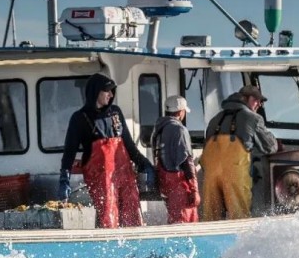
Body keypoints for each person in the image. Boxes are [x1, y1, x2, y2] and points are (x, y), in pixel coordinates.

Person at [59, 73, 155, 228]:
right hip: (101, 179)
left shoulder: (115, 113)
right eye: (107, 91)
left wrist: (145, 164)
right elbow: (69, 153)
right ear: (95, 92)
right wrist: (64, 181)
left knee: (133, 217)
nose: (111, 95)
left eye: (112, 91)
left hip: (125, 176)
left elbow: (129, 145)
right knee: (108, 219)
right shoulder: (79, 118)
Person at [199, 85, 278, 221]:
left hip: (211, 176)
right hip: (234, 175)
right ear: (245, 98)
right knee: (239, 217)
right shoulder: (253, 118)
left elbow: (206, 150)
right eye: (256, 100)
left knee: (211, 219)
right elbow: (270, 147)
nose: (259, 104)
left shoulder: (214, 120)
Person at [151, 95, 200, 224]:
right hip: (180, 186)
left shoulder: (159, 128)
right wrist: (194, 190)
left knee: (175, 221)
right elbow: (187, 160)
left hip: (166, 184)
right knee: (186, 223)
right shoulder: (179, 129)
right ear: (180, 112)